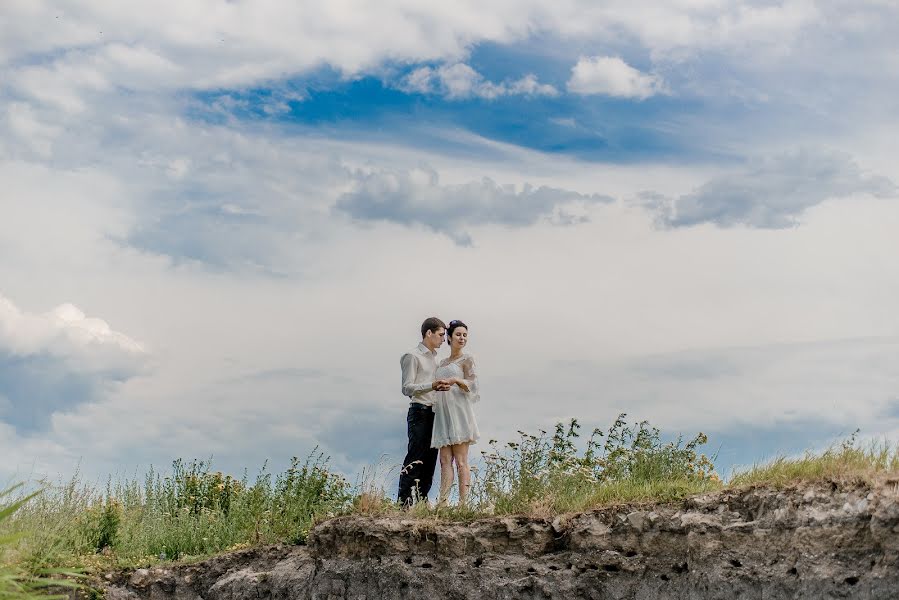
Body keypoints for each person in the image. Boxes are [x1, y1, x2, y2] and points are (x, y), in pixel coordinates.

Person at [397, 317, 452, 506]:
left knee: (430, 461)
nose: (443, 340)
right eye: (440, 335)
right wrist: (432, 386)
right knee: (415, 458)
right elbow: (407, 388)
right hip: (419, 411)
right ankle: (403, 504)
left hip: (435, 414)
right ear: (429, 333)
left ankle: (421, 503)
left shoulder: (437, 360)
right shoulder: (412, 356)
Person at [432, 319, 480, 505]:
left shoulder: (467, 359)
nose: (462, 338)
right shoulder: (441, 362)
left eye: (465, 335)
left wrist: (455, 380)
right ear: (450, 338)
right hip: (443, 412)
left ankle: (463, 503)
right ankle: (442, 502)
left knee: (461, 460)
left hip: (459, 411)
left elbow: (473, 385)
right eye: (458, 334)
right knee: (444, 460)